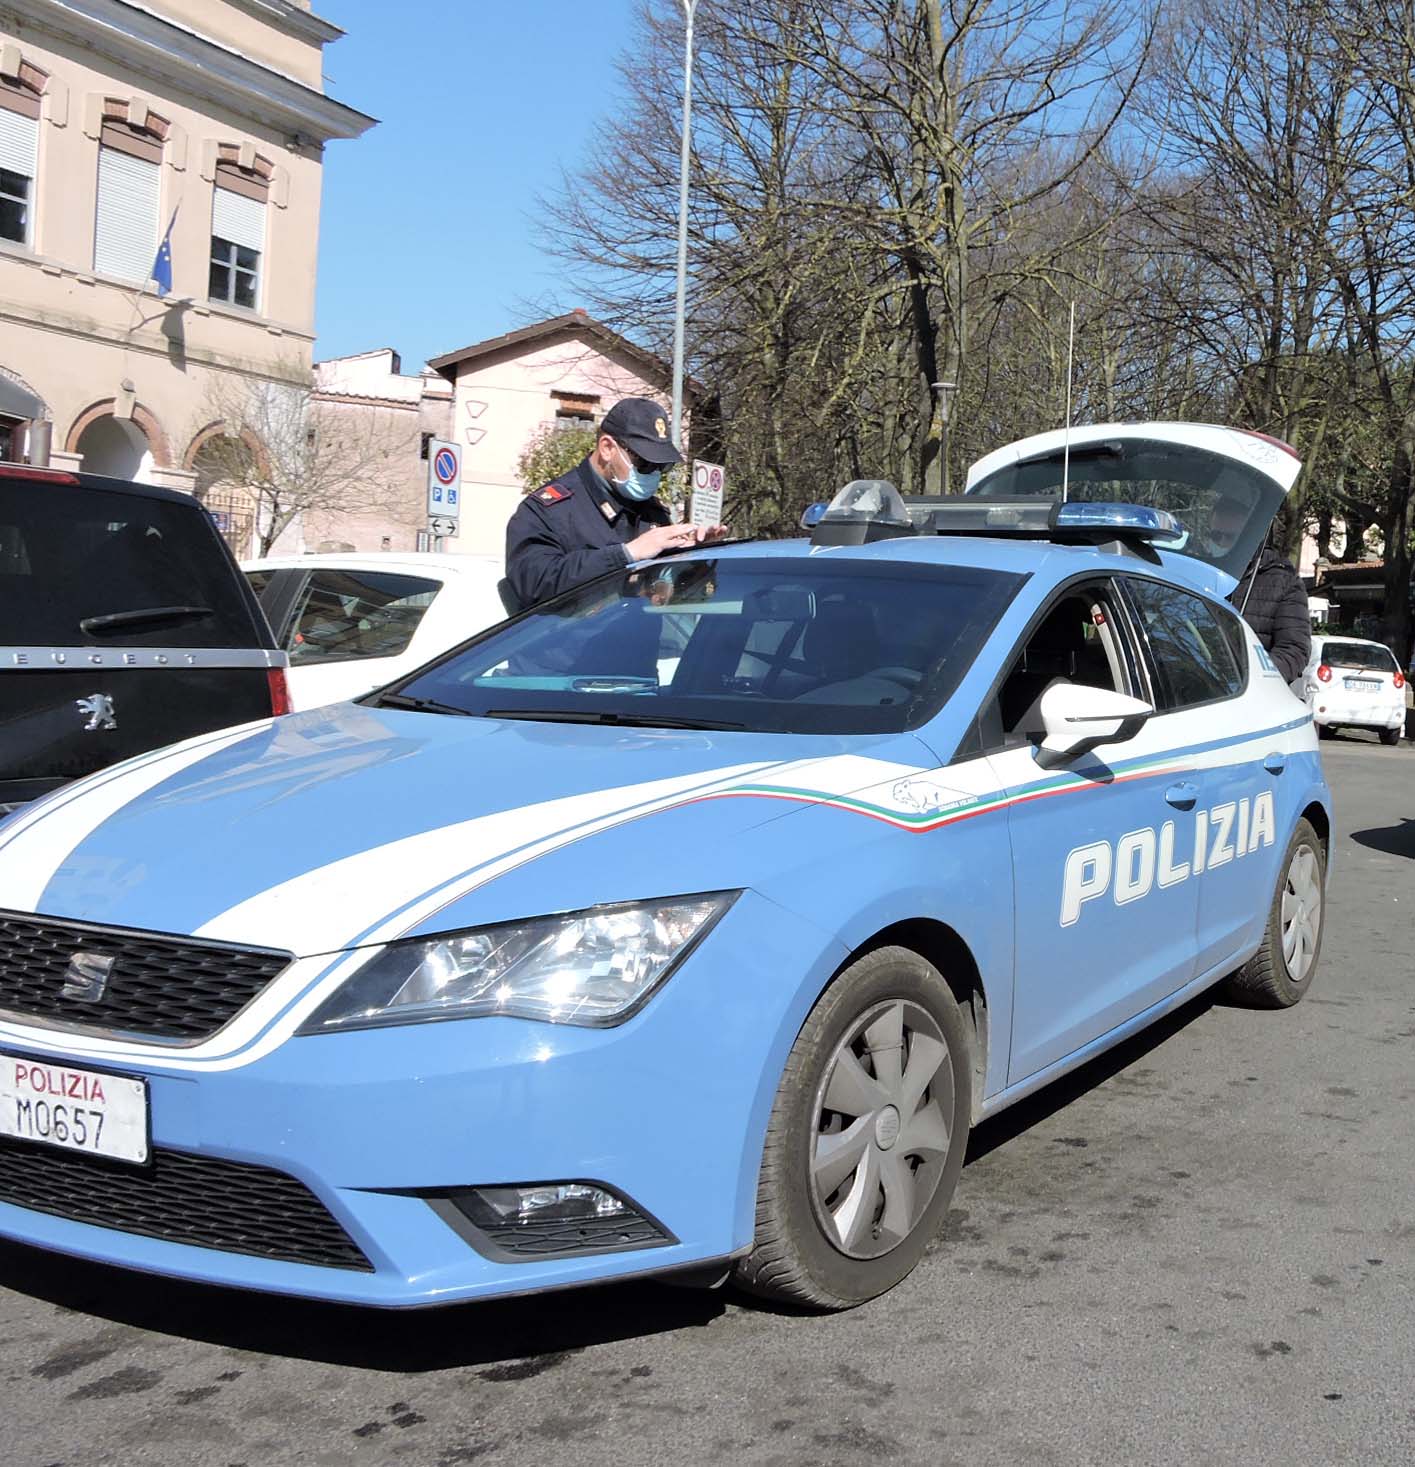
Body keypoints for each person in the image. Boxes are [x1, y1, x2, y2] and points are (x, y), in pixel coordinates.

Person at [504, 397, 724, 610]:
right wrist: (625, 554)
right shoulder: (550, 510)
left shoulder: (652, 513)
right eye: (645, 463)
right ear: (607, 448)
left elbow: (670, 597)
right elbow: (533, 585)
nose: (654, 474)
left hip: (638, 645)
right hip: (570, 646)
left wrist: (695, 560)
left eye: (662, 466)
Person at [1209, 495, 1311, 684]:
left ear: (1251, 537)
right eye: (1216, 536)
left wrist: (1252, 679)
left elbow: (1294, 650)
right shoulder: (1202, 573)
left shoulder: (1283, 581)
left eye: (1230, 537)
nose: (1221, 543)